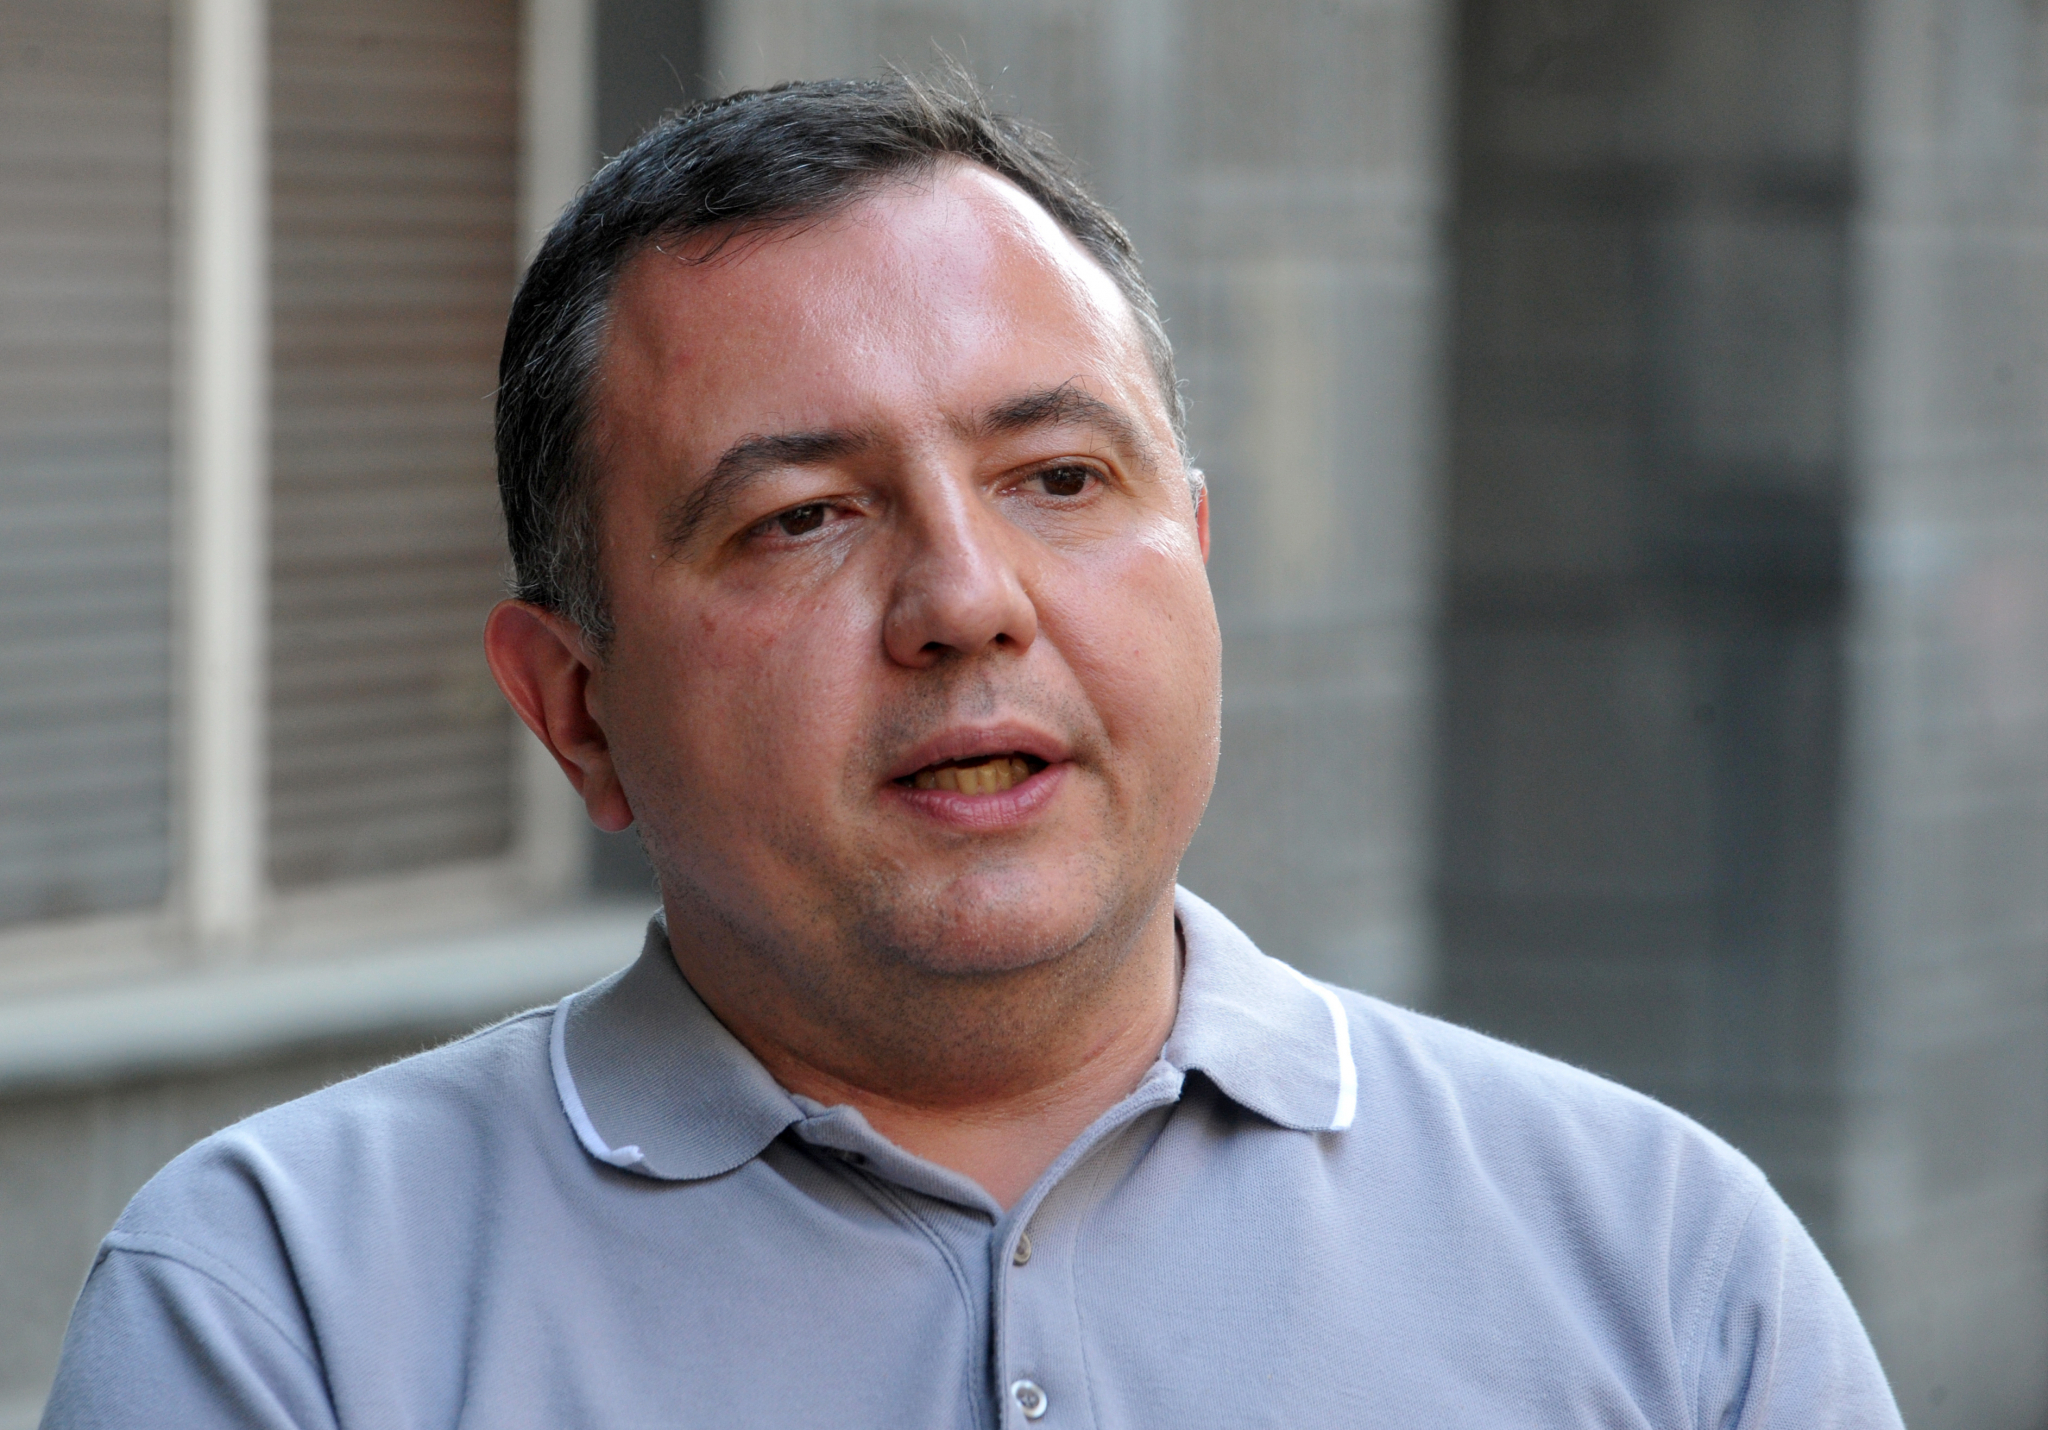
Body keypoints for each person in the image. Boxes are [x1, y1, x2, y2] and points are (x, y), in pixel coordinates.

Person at [42, 75, 1903, 1428]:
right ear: (576, 709)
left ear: (1196, 553)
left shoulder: (1660, 1269)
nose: (966, 600)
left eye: (1059, 478)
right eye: (800, 517)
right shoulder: (286, 1305)